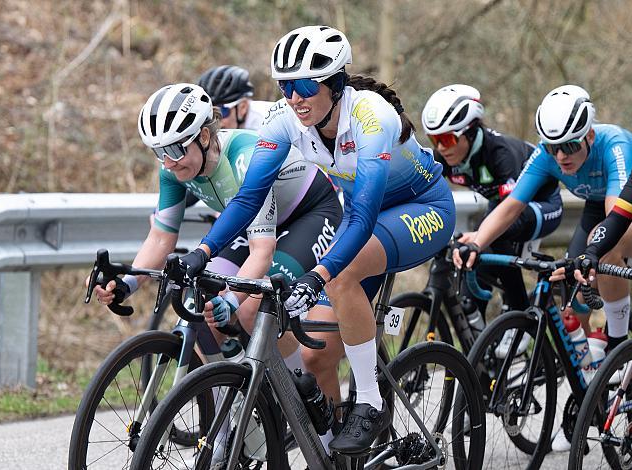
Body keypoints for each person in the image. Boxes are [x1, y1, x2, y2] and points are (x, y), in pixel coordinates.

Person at [177, 25, 455, 454]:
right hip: (365, 219)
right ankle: (332, 450)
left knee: (338, 277)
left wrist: (317, 275)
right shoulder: (283, 120)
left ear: (336, 82)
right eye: (285, 86)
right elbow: (249, 197)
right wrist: (203, 252)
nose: (294, 98)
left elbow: (362, 217)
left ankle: (369, 401)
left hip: (422, 208)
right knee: (315, 353)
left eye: (305, 85)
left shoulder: (371, 116)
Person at [92, 83, 342, 373]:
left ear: (205, 136)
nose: (168, 162)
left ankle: (304, 388)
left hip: (311, 214)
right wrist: (128, 283)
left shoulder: (244, 159)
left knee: (252, 308)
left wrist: (234, 301)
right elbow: (161, 238)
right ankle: (227, 400)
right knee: (202, 308)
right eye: (159, 152)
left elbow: (262, 250)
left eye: (174, 149)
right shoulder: (173, 170)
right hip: (257, 223)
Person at [453, 84, 632, 451]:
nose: (561, 155)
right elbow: (512, 205)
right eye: (553, 147)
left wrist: (596, 251)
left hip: (622, 207)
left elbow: (617, 218)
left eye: (570, 145)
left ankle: (617, 341)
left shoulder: (613, 144)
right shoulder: (547, 154)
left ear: (589, 135)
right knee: (571, 287)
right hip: (598, 208)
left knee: (606, 251)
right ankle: (588, 391)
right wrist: (478, 240)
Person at [423, 84, 563, 353]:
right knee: (470, 277)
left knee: (499, 232)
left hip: (540, 205)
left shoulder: (499, 153)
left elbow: (508, 212)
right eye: (434, 140)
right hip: (501, 208)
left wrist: (478, 237)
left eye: (448, 139)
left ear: (470, 131)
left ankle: (520, 313)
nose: (441, 147)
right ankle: (484, 354)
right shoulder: (444, 156)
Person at [198, 65, 273, 130]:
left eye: (222, 111)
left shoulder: (270, 123)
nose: (214, 122)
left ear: (243, 107)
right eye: (209, 113)